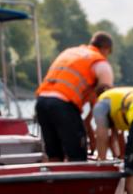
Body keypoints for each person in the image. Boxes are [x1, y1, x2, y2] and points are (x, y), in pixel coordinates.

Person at [36, 32, 115, 162]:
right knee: (77, 155)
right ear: (106, 49)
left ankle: (55, 181)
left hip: (42, 101)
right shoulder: (100, 62)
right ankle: (80, 181)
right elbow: (105, 103)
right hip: (64, 104)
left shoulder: (71, 52)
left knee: (54, 154)